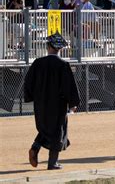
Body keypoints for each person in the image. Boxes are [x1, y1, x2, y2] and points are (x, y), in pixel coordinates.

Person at [24, 33, 80, 170]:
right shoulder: (63, 65)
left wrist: (31, 97)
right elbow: (69, 86)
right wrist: (73, 103)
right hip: (57, 104)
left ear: (48, 46)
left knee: (44, 128)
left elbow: (28, 83)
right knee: (57, 132)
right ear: (59, 49)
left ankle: (35, 148)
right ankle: (52, 162)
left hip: (41, 103)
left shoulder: (38, 63)